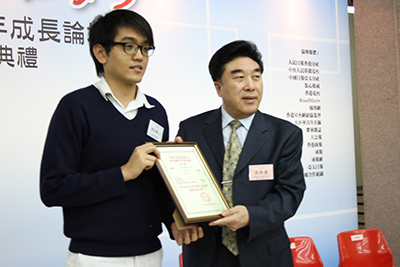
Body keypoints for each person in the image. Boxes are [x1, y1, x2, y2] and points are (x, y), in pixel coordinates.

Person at [40, 9, 201, 267]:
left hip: (150, 253)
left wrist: (174, 220)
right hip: (95, 257)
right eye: (129, 46)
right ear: (101, 52)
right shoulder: (76, 106)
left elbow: (156, 186)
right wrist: (124, 172)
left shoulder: (155, 111)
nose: (139, 56)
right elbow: (53, 188)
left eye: (145, 48)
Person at [176, 40, 306, 267]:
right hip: (206, 254)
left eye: (256, 77)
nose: (250, 86)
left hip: (264, 254)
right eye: (239, 77)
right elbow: (178, 186)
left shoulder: (285, 134)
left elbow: (290, 193)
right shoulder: (192, 129)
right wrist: (177, 215)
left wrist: (251, 215)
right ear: (218, 87)